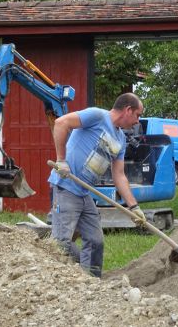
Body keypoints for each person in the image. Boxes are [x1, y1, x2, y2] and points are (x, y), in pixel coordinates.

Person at [48, 92, 147, 277]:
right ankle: (67, 277)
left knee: (95, 242)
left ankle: (92, 285)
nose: (137, 121)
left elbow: (119, 176)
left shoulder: (120, 139)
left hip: (84, 194)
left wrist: (134, 207)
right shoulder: (97, 116)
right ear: (127, 110)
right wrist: (61, 160)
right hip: (66, 187)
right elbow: (61, 123)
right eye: (137, 115)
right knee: (60, 243)